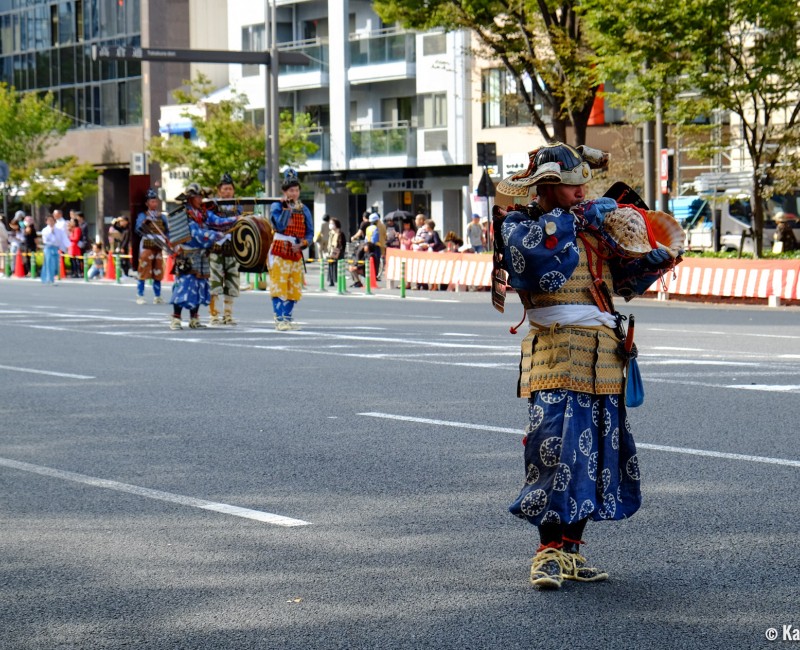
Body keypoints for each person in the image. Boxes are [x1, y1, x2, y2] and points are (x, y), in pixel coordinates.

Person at [495, 142, 681, 590]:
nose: (583, 192)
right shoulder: (520, 226)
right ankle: (546, 555)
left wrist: (654, 252)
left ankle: (572, 552)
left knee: (596, 455)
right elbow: (539, 267)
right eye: (573, 185)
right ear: (548, 186)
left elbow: (626, 278)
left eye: (583, 185)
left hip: (604, 355)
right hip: (555, 354)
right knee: (554, 451)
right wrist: (578, 218)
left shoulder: (590, 226)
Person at [169, 183, 235, 330]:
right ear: (190, 198)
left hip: (202, 254)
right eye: (197, 197)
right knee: (184, 286)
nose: (200, 199)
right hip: (187, 254)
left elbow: (218, 221)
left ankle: (194, 318)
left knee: (200, 286)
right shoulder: (184, 213)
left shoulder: (203, 213)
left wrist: (237, 219)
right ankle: (176, 319)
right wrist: (214, 235)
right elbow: (195, 233)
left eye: (201, 196)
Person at [269, 168, 313, 331]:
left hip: (296, 252)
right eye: (291, 190)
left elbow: (310, 232)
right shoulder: (276, 206)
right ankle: (279, 318)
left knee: (294, 287)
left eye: (296, 190)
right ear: (284, 191)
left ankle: (287, 318)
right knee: (279, 286)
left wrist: (303, 244)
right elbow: (279, 225)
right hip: (280, 250)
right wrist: (286, 209)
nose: (294, 193)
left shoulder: (304, 209)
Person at [208, 173, 243, 326]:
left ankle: (228, 315)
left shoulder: (238, 206)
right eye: (225, 189)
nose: (228, 191)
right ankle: (214, 315)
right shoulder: (212, 206)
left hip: (232, 248)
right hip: (216, 248)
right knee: (215, 281)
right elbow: (213, 221)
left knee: (232, 281)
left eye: (230, 189)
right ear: (219, 191)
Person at [135, 189, 169, 304]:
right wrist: (144, 223)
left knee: (158, 271)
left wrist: (168, 240)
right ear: (147, 203)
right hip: (147, 245)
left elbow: (167, 230)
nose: (154, 203)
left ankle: (158, 296)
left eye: (155, 201)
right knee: (143, 269)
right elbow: (138, 228)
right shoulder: (142, 215)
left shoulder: (162, 216)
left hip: (159, 246)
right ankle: (140, 295)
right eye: (152, 201)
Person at [40, 215, 60, 284]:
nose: (51, 222)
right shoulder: (45, 230)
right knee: (49, 263)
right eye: (49, 220)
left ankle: (51, 276)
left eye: (52, 220)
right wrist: (51, 233)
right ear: (46, 222)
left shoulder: (58, 229)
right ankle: (50, 279)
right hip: (48, 248)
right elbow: (45, 240)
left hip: (55, 248)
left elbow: (60, 239)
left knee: (55, 264)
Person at [327, 218, 346, 287]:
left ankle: (338, 280)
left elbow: (343, 244)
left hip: (338, 252)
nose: (330, 225)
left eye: (332, 223)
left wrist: (339, 251)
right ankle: (331, 280)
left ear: (336, 224)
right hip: (331, 251)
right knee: (330, 265)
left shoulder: (340, 233)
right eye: (330, 223)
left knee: (337, 266)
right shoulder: (330, 233)